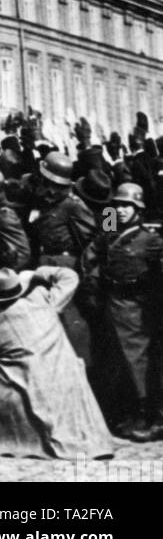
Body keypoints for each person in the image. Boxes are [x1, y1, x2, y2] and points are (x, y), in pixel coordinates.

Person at [0, 267, 113, 460]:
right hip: (65, 380)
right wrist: (37, 272)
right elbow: (69, 276)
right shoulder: (44, 300)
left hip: (30, 384)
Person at [78, 182, 163, 441]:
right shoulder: (111, 223)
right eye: (118, 205)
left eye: (128, 205)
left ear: (139, 208)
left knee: (139, 360)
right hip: (112, 301)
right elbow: (94, 250)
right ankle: (132, 411)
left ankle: (152, 417)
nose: (122, 210)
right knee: (120, 360)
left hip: (137, 304)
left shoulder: (150, 236)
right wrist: (92, 280)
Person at [29, 150, 97, 364]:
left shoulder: (73, 204)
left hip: (66, 267)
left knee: (70, 320)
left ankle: (79, 365)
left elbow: (97, 235)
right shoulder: (42, 200)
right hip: (44, 265)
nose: (48, 188)